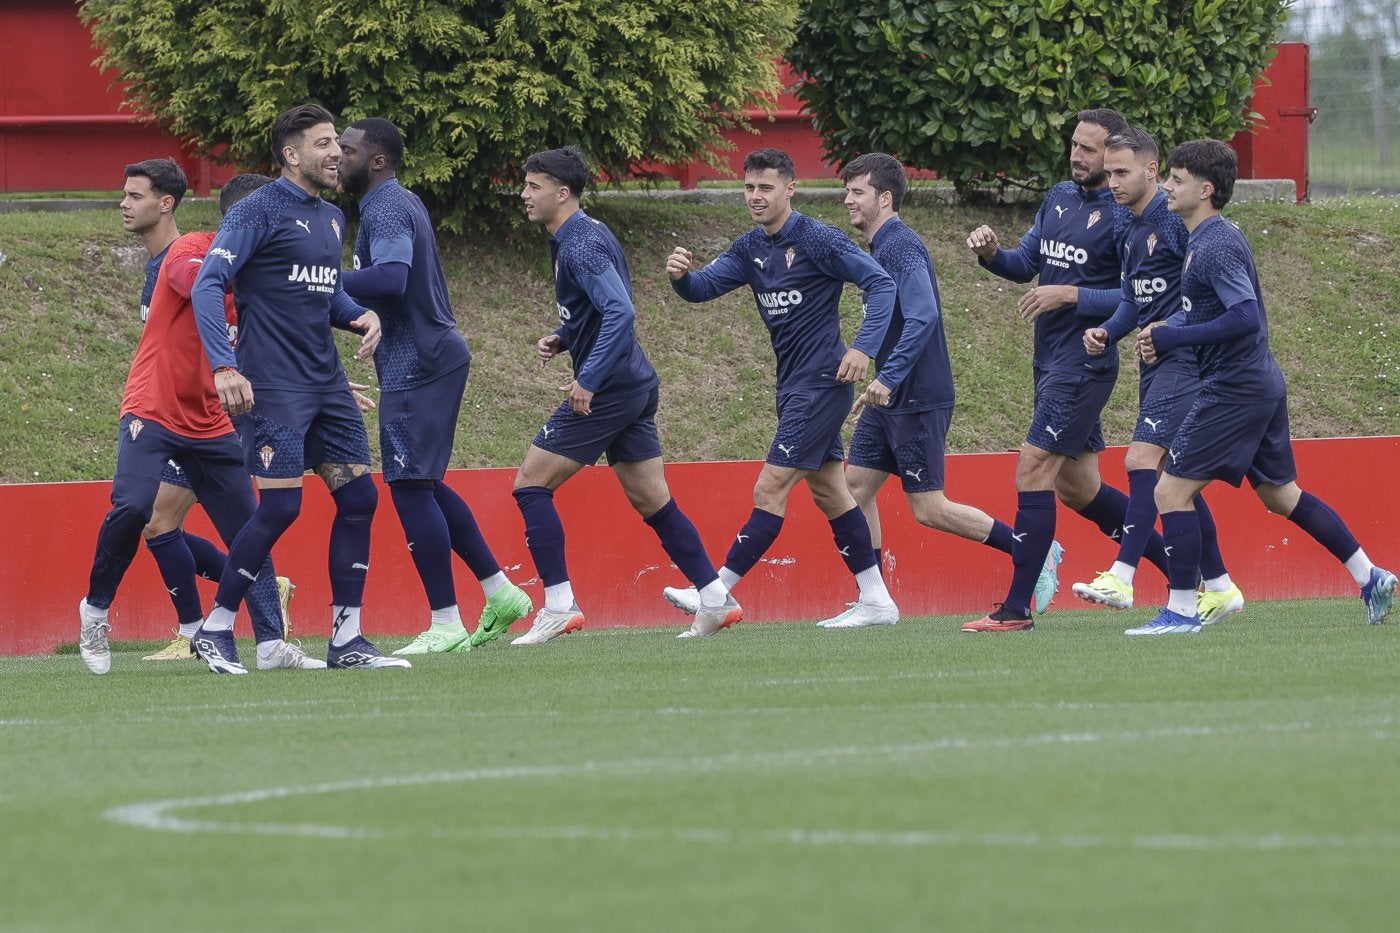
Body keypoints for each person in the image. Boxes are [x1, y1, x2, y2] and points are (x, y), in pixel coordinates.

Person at [1131, 139, 1395, 633]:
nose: (1167, 185)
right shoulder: (1203, 239)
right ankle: (1370, 576)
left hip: (1235, 388)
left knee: (1169, 492)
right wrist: (1165, 331)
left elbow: (1245, 316)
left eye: (1177, 178)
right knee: (1281, 496)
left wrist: (1176, 337)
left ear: (1205, 189)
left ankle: (1183, 611)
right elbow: (1211, 310)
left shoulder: (1215, 243)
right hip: (1257, 383)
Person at [190, 103, 406, 671]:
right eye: (323, 143)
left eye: (338, 142)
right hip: (273, 384)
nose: (337, 153)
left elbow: (324, 290)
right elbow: (210, 283)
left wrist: (360, 315)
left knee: (360, 497)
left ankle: (347, 640)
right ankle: (215, 629)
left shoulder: (332, 218)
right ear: (291, 155)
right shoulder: (258, 210)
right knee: (282, 506)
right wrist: (224, 366)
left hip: (327, 382)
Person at [77, 173, 318, 675]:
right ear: (240, 221)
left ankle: (271, 644)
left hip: (212, 423)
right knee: (134, 508)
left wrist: (324, 385)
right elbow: (198, 283)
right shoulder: (192, 248)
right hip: (154, 408)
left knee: (252, 528)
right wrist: (238, 282)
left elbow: (286, 340)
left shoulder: (264, 279)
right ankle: (96, 611)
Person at [663, 147, 898, 628]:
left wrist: (863, 347)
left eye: (766, 187)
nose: (756, 196)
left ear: (790, 189)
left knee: (769, 487)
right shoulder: (751, 247)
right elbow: (704, 288)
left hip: (823, 384)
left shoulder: (819, 239)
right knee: (832, 492)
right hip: (792, 387)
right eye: (749, 187)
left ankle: (716, 591)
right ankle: (877, 600)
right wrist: (682, 279)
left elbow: (882, 285)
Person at [511, 145, 735, 642]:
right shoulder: (583, 233)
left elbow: (621, 312)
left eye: (533, 186)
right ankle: (715, 598)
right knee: (653, 502)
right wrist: (564, 335)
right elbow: (598, 308)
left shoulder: (579, 244)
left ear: (562, 193)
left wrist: (587, 377)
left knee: (530, 486)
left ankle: (559, 604)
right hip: (634, 383)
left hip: (610, 387)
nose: (523, 194)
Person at [962, 108, 1169, 633]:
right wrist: (992, 255)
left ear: (1115, 156)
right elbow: (1024, 264)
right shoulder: (1057, 196)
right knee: (1079, 488)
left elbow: (1136, 294)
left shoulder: (1125, 215)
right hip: (1048, 359)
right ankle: (1191, 572)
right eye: (1074, 144)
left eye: (1090, 149)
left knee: (1033, 467)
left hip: (1086, 360)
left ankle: (1016, 608)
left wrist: (1071, 294)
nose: (1077, 155)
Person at [835, 152, 1059, 626]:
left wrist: (888, 377)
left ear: (885, 198)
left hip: (916, 394)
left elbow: (924, 315)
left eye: (857, 192)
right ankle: (875, 601)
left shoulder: (900, 246)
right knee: (854, 487)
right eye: (848, 190)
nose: (848, 199)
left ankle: (1032, 548)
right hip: (890, 393)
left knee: (929, 509)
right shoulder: (881, 246)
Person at [338, 117, 532, 654]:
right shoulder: (391, 202)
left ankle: (446, 622)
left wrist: (315, 278)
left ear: (377, 161)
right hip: (425, 358)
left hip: (419, 364)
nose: (338, 157)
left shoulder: (386, 206)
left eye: (348, 150)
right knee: (421, 483)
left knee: (407, 486)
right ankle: (501, 592)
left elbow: (393, 278)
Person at [1073, 128, 1245, 624]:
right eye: (1108, 173)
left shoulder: (1174, 224)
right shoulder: (1127, 229)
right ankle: (1219, 585)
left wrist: (1177, 327)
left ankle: (1124, 574)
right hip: (1155, 363)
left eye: (1122, 172)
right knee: (1177, 482)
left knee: (1141, 461)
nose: (1112, 182)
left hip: (1184, 363)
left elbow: (1205, 295)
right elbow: (1134, 298)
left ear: (1152, 171)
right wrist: (1107, 331)